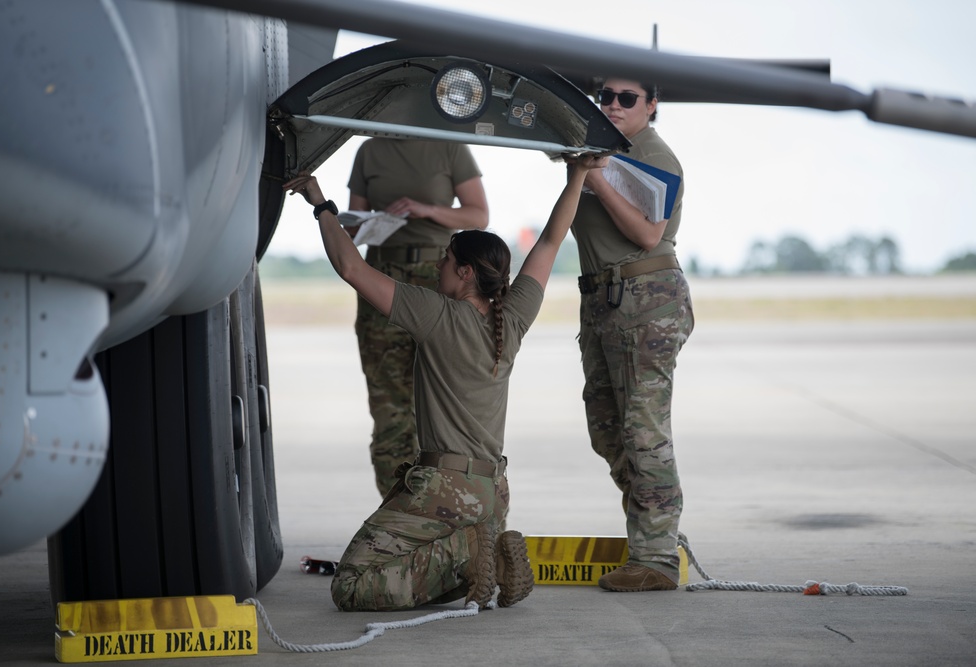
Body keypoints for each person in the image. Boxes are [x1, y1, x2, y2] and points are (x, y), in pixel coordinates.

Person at [283, 152, 608, 612]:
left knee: (352, 583)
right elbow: (552, 241)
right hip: (493, 494)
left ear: (466, 273)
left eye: (446, 260)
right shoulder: (512, 317)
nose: (438, 266)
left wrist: (320, 204)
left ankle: (470, 552)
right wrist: (578, 177)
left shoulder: (435, 314)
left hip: (443, 490)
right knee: (414, 562)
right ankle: (480, 549)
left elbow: (352, 268)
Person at [570, 78, 694, 592]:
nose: (613, 105)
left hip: (645, 300)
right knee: (607, 426)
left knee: (643, 431)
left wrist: (595, 177)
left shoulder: (651, 154)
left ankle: (657, 555)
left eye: (627, 98)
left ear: (651, 106)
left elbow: (648, 234)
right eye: (606, 96)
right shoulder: (604, 151)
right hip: (605, 299)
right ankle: (654, 528)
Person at [346, 139, 490, 499]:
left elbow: (478, 215)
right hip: (383, 277)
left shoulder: (448, 148)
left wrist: (427, 210)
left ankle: (451, 504)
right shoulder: (369, 150)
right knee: (390, 407)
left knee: (447, 400)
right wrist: (363, 224)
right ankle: (397, 512)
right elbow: (351, 227)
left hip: (438, 275)